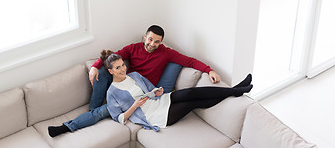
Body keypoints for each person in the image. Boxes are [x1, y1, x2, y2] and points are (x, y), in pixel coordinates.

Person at [48, 25, 221, 137]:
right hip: (126, 91)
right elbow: (112, 57)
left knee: (101, 113)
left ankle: (66, 127)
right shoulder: (133, 49)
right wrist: (94, 66)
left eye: (157, 42)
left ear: (161, 42)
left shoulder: (166, 53)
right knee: (99, 103)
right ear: (145, 36)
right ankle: (71, 123)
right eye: (150, 39)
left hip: (145, 92)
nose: (152, 44)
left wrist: (209, 70)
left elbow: (189, 61)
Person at [105, 52, 252, 130]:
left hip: (160, 101)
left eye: (123, 65)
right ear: (111, 71)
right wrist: (135, 105)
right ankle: (236, 91)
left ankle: (235, 90)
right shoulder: (112, 92)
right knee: (192, 104)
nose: (123, 69)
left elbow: (151, 89)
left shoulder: (134, 76)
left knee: (191, 92)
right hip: (154, 116)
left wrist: (157, 91)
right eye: (118, 68)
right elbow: (119, 118)